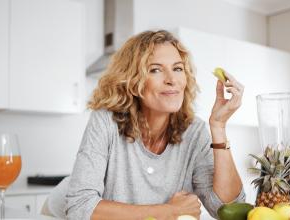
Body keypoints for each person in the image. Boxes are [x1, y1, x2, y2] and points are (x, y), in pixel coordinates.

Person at [62, 30, 245, 220]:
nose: (171, 80)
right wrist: (167, 211)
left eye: (177, 68)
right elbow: (79, 207)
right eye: (155, 70)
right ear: (133, 81)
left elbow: (229, 211)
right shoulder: (105, 121)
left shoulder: (194, 131)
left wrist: (219, 127)